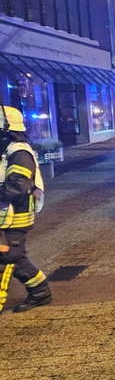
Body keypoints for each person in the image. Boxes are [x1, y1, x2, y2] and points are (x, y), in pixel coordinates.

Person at [0, 106, 52, 313]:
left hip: (15, 217)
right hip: (7, 215)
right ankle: (40, 292)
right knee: (17, 257)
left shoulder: (19, 152)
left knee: (4, 259)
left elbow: (17, 187)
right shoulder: (7, 150)